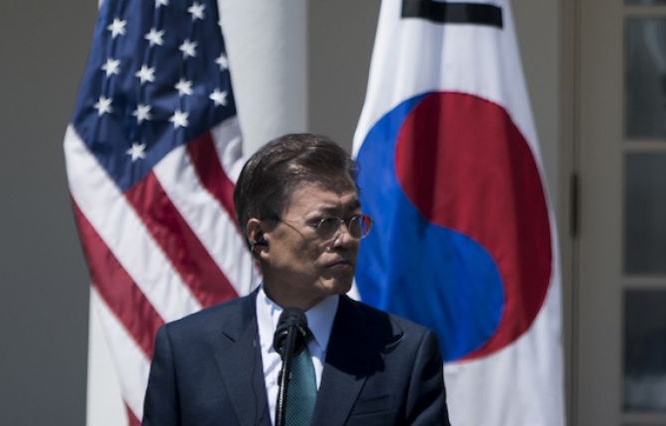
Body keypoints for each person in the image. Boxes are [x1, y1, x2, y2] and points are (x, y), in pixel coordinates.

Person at [143, 133, 449, 425]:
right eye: (324, 222)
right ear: (260, 236)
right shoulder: (187, 351)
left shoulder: (405, 352)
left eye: (353, 220)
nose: (346, 238)